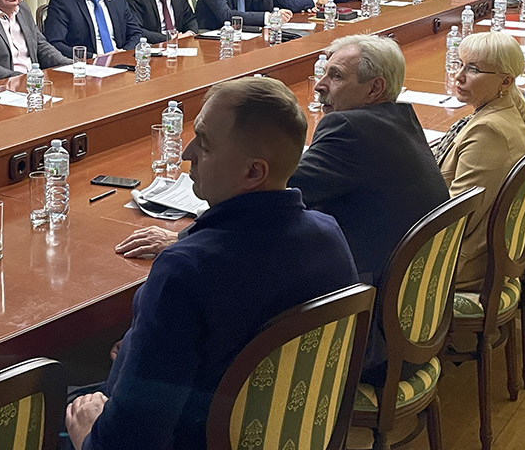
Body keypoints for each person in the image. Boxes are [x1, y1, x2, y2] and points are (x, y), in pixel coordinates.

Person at [116, 35, 447, 384]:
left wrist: (182, 240)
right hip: (410, 323)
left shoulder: (349, 128)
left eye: (335, 76)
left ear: (374, 88)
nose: (319, 85)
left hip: (368, 341)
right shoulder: (399, 119)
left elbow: (273, 187)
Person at [66, 78, 358, 450]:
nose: (187, 153)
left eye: (204, 143)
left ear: (253, 172)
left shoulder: (184, 271)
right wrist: (142, 348)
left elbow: (131, 442)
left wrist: (88, 435)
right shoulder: (329, 236)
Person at [434, 32, 525, 289]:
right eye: (460, 64)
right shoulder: (501, 111)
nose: (458, 76)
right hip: (480, 249)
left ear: (506, 81)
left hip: (462, 263)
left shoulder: (488, 132)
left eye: (473, 69)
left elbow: (457, 216)